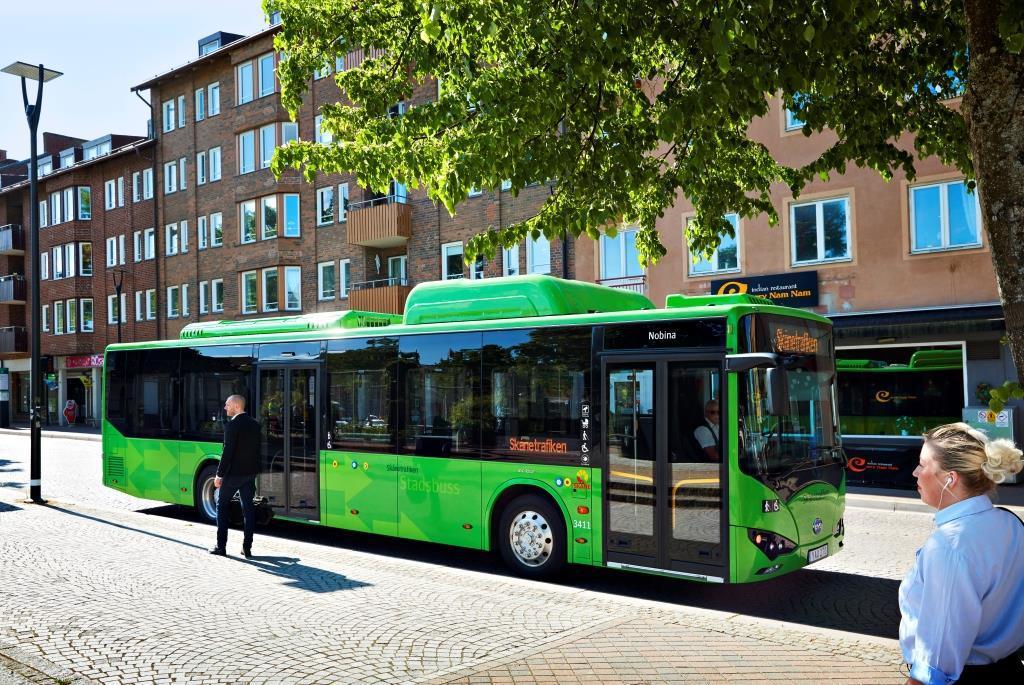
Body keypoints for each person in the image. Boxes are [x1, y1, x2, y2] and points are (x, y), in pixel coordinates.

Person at [899, 422, 1024, 684]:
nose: (915, 472)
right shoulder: (1010, 523)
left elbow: (936, 664)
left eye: (922, 464)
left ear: (950, 478)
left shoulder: (950, 546)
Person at [210, 394, 261, 558]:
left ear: (237, 406)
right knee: (248, 510)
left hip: (233, 476)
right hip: (249, 474)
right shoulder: (255, 425)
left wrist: (219, 475)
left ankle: (221, 547)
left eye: (227, 404)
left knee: (221, 505)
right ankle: (247, 548)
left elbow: (227, 453)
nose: (225, 407)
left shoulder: (232, 426)